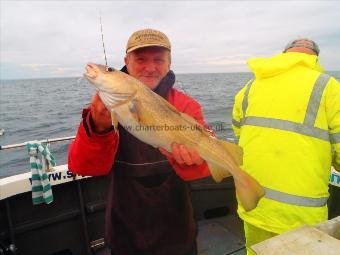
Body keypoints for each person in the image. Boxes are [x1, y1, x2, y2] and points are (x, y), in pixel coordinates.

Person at [68, 28, 211, 255]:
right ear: (126, 61)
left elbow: (201, 171)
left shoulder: (186, 106)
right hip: (125, 229)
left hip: (177, 227)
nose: (150, 67)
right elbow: (84, 167)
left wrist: (192, 163)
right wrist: (98, 128)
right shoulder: (105, 106)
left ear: (169, 62)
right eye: (140, 59)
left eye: (158, 59)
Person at [232, 38, 340, 254]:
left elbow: (239, 136)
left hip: (254, 204)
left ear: (284, 54)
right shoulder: (328, 86)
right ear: (314, 57)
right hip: (301, 215)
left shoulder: (248, 88)